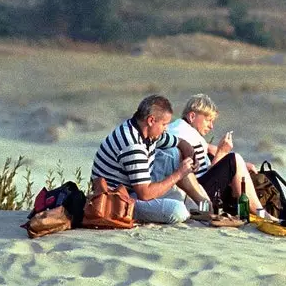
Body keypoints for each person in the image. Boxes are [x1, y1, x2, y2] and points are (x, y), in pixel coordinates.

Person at [90, 94, 208, 225]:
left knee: (173, 154)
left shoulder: (147, 132)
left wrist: (190, 154)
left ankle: (205, 206)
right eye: (164, 124)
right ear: (151, 120)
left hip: (134, 188)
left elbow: (180, 142)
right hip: (118, 199)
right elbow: (144, 194)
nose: (166, 128)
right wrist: (179, 174)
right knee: (178, 210)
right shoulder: (133, 145)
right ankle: (197, 210)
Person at [152, 94, 271, 218]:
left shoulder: (180, 128)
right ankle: (262, 214)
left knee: (237, 164)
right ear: (192, 116)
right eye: (208, 120)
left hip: (187, 192)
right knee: (234, 159)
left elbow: (206, 148)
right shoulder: (186, 136)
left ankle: (255, 212)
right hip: (196, 198)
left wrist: (241, 165)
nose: (211, 126)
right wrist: (222, 153)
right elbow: (194, 181)